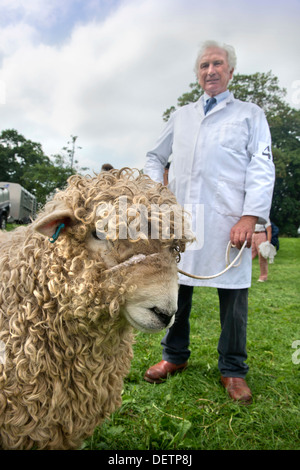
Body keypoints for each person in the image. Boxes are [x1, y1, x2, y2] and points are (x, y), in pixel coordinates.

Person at [143, 40, 275, 404]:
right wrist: (159, 195)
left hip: (228, 220)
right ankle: (174, 356)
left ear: (230, 71)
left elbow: (262, 167)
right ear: (198, 74)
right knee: (178, 290)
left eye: (218, 64)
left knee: (233, 297)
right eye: (204, 65)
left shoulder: (251, 115)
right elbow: (155, 156)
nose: (210, 71)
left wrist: (251, 216)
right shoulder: (181, 116)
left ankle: (233, 369)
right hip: (184, 220)